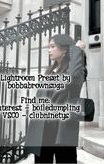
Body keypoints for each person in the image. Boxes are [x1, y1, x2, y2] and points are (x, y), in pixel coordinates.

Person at [26, 34, 86, 164]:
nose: (49, 50)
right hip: (44, 128)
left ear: (65, 49)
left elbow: (72, 76)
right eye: (49, 47)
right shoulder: (51, 71)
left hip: (62, 128)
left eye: (52, 46)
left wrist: (77, 50)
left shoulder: (77, 72)